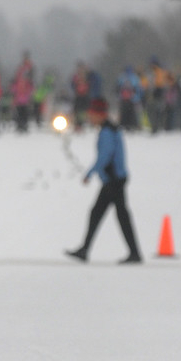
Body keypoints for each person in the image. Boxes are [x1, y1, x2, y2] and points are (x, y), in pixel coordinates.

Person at [65, 98, 143, 264]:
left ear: (99, 115)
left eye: (92, 115)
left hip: (113, 180)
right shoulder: (111, 129)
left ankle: (87, 250)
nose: (90, 118)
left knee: (110, 215)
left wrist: (90, 173)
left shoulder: (107, 132)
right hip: (115, 179)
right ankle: (87, 249)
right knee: (107, 214)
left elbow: (104, 157)